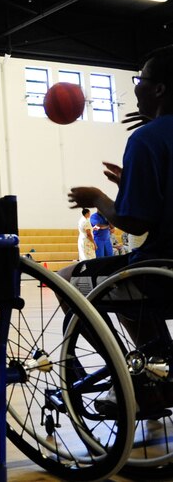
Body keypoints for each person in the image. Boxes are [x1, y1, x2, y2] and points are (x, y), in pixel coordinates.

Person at [66, 45, 173, 412]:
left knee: (70, 283)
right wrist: (131, 182)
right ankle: (160, 365)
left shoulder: (147, 138)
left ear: (159, 89)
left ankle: (141, 371)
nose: (137, 87)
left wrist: (97, 197)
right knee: (121, 279)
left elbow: (135, 222)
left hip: (162, 273)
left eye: (141, 79)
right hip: (161, 271)